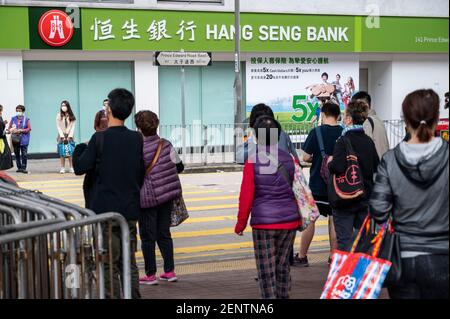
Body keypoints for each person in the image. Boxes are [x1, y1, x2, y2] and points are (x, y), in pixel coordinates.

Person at [370, 89, 449, 299]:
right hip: (443, 257)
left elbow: (378, 211)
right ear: (437, 118)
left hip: (402, 260)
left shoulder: (390, 160)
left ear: (405, 120)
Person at [73, 88, 144, 299]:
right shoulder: (136, 139)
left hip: (105, 212)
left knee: (108, 262)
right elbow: (139, 171)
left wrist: (78, 148)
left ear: (109, 110)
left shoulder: (99, 139)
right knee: (128, 262)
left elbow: (80, 167)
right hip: (129, 210)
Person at [235, 116, 301, 299]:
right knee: (282, 268)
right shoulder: (288, 159)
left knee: (266, 271)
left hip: (263, 224)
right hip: (289, 222)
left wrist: (240, 224)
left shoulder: (252, 160)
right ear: (277, 135)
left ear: (256, 137)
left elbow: (246, 196)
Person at [135, 110, 184, 286]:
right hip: (167, 196)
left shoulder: (138, 148)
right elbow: (179, 167)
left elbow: (136, 173)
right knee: (164, 234)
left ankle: (150, 275)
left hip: (147, 199)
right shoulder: (167, 144)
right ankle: (169, 271)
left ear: (139, 127)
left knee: (148, 237)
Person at [295, 102, 343, 267]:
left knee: (311, 220)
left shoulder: (316, 132)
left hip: (317, 185)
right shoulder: (344, 132)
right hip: (338, 186)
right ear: (339, 115)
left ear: (322, 115)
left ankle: (302, 256)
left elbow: (306, 157)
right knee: (335, 220)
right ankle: (333, 257)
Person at [327, 100, 379, 251]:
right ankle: (361, 272)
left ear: (349, 119)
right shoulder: (368, 141)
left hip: (345, 200)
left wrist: (330, 162)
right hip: (364, 198)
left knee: (345, 242)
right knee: (363, 241)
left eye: (344, 116)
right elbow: (376, 166)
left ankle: (348, 273)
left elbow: (337, 166)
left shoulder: (343, 141)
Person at [352, 91, 389, 159]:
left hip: (376, 166)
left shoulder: (368, 122)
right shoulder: (378, 120)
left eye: (356, 106)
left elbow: (366, 149)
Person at [8, 105, 31, 174]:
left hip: (24, 139)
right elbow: (9, 128)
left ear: (23, 111)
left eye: (20, 111)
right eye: (17, 110)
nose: (18, 112)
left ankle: (24, 168)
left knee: (24, 154)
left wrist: (22, 130)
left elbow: (29, 128)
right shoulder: (13, 119)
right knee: (17, 154)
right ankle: (19, 167)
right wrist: (12, 130)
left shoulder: (26, 119)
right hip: (15, 139)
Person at [56, 100, 76, 174]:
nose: (63, 107)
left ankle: (71, 167)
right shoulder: (58, 115)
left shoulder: (72, 115)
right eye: (62, 105)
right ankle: (62, 168)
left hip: (70, 136)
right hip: (61, 136)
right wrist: (62, 136)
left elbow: (73, 126)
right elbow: (58, 126)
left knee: (70, 152)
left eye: (64, 105)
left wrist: (69, 136)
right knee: (62, 152)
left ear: (68, 106)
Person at [0, 104, 13, 171]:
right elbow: (1, 133)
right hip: (1, 141)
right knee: (4, 155)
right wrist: (9, 131)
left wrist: (3, 123)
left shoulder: (0, 118)